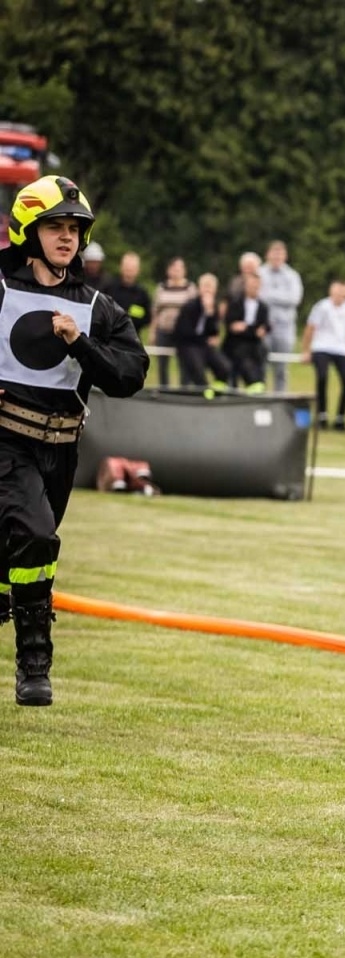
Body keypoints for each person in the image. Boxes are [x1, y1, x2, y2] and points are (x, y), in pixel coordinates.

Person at [0, 176, 147, 704]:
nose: (67, 237)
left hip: (60, 451)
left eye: (75, 228)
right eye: (55, 227)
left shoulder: (97, 308)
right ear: (27, 232)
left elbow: (130, 376)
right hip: (5, 444)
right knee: (37, 537)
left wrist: (80, 344)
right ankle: (34, 668)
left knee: (17, 555)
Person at [301, 280, 345, 431]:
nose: (339, 297)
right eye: (337, 293)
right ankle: (322, 415)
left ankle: (341, 417)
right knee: (322, 377)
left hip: (341, 348)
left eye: (342, 294)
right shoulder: (322, 307)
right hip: (322, 346)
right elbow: (311, 328)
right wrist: (306, 350)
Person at [259, 240, 303, 393]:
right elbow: (259, 296)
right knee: (262, 366)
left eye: (280, 254)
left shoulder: (292, 276)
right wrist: (281, 297)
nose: (277, 258)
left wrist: (270, 296)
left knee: (281, 369)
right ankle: (261, 399)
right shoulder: (260, 273)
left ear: (285, 256)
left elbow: (294, 299)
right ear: (267, 255)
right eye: (274, 254)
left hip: (285, 328)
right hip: (264, 327)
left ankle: (280, 398)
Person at [173, 274, 226, 391]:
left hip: (204, 345)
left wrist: (209, 313)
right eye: (205, 286)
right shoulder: (189, 306)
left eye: (210, 287)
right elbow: (183, 331)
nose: (207, 290)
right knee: (197, 368)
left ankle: (218, 392)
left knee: (224, 367)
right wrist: (204, 339)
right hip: (188, 345)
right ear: (199, 288)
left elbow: (214, 332)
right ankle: (203, 394)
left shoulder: (214, 308)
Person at [222, 271, 271, 392]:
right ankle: (252, 382)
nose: (253, 288)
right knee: (241, 354)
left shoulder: (263, 306)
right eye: (251, 285)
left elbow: (266, 325)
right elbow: (231, 325)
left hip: (255, 342)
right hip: (236, 342)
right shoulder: (235, 303)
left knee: (261, 352)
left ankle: (258, 384)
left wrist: (255, 329)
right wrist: (252, 330)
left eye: (256, 286)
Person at [150, 257, 195, 388]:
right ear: (169, 270)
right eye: (174, 269)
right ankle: (164, 388)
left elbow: (194, 312)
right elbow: (155, 311)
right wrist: (153, 331)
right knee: (162, 363)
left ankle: (184, 389)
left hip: (183, 332)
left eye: (179, 269)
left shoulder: (190, 288)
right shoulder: (161, 288)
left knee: (185, 361)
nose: (177, 272)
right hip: (163, 330)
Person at [101, 252, 151, 343]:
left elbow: (147, 318)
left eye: (132, 268)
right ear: (121, 267)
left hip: (133, 339)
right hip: (110, 338)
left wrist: (132, 316)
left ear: (138, 270)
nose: (129, 271)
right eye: (127, 267)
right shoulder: (109, 288)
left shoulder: (142, 293)